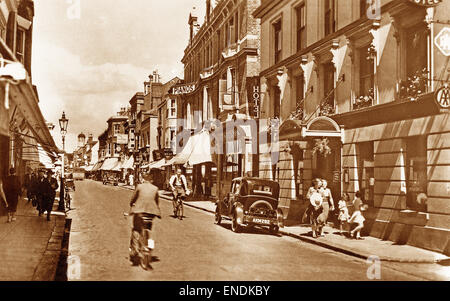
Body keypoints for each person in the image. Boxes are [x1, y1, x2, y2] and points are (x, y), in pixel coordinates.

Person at [129, 173, 161, 265]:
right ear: (151, 180)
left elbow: (133, 198)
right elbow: (157, 201)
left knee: (136, 229)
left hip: (140, 212)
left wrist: (131, 204)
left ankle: (135, 250)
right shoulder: (155, 188)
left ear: (143, 179)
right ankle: (150, 245)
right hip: (151, 213)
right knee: (148, 229)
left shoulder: (139, 187)